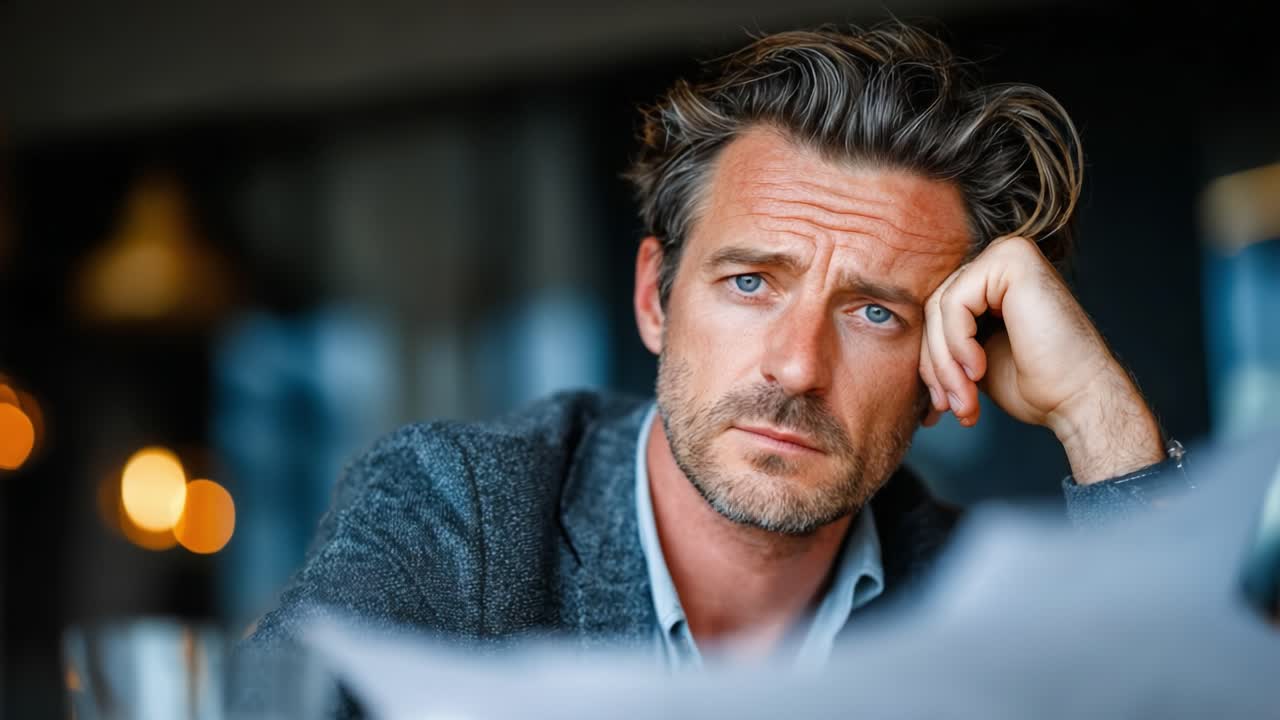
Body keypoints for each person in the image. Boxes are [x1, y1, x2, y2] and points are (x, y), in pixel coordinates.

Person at [244, 21, 1193, 674]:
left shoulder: (970, 601)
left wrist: (1096, 413)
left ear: (948, 365)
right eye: (750, 283)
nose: (797, 367)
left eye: (875, 313)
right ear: (654, 299)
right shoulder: (462, 515)